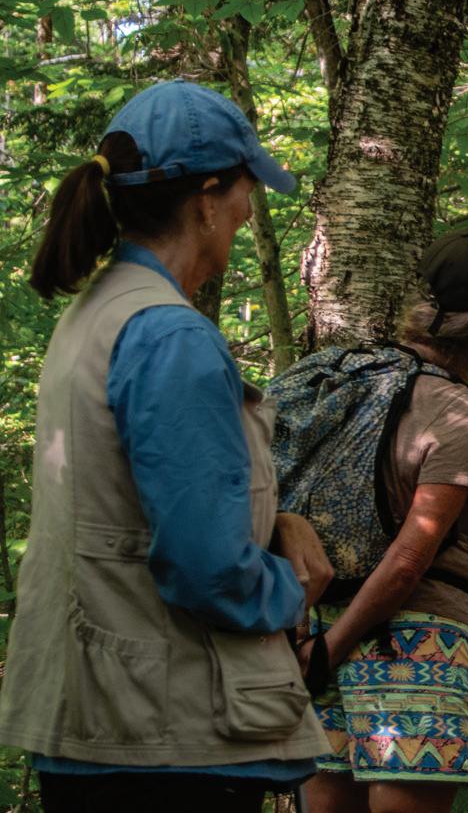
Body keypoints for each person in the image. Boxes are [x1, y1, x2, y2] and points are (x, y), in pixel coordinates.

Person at [0, 79, 331, 811]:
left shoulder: (96, 315)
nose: (249, 210)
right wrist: (292, 590)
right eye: (247, 189)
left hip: (102, 718)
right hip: (165, 735)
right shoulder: (171, 335)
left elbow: (132, 504)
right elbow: (205, 566)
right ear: (207, 198)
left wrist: (275, 520)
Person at [298, 227, 468, 813]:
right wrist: (333, 648)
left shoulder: (355, 382)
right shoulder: (457, 411)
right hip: (418, 647)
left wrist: (319, 647)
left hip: (320, 629)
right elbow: (410, 556)